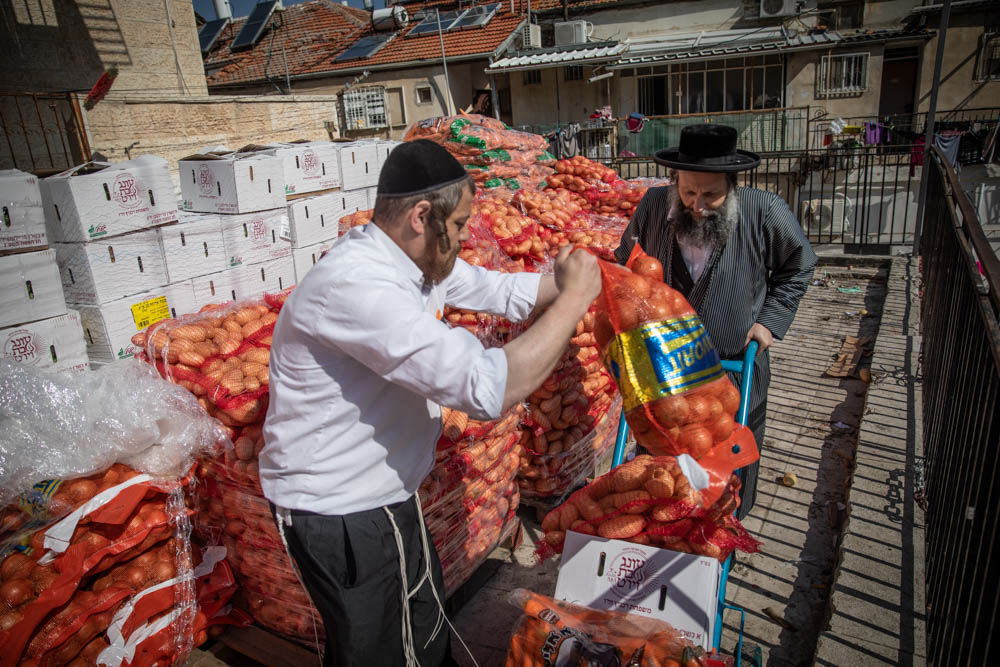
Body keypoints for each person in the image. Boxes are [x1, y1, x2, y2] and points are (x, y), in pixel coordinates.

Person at [259, 139, 602, 666]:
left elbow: (497, 290)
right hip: (344, 511)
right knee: (380, 654)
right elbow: (487, 388)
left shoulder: (413, 260)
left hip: (385, 496)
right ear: (423, 216)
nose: (465, 238)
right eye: (461, 225)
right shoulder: (359, 286)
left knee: (422, 631)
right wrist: (575, 300)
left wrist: (571, 280)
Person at [614, 124, 817, 519]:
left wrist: (770, 323)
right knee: (660, 475)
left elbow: (799, 265)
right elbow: (626, 261)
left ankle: (723, 542)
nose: (697, 203)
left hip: (733, 375)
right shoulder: (655, 206)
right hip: (664, 376)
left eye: (710, 194)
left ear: (732, 184)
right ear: (675, 181)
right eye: (688, 191)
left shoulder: (764, 211)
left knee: (726, 482)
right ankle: (660, 540)